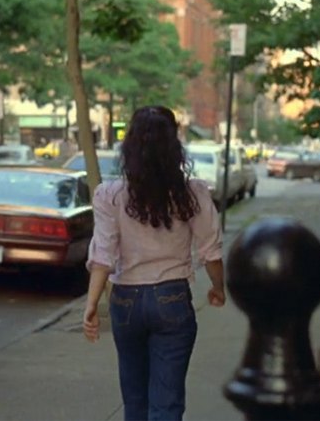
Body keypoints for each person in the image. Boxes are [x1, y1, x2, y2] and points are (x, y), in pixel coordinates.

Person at [83, 105, 225, 421]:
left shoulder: (110, 195)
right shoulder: (192, 194)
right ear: (174, 144)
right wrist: (219, 288)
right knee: (167, 403)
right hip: (172, 299)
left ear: (130, 145)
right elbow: (211, 251)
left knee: (135, 402)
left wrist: (92, 305)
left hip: (125, 302)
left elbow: (103, 255)